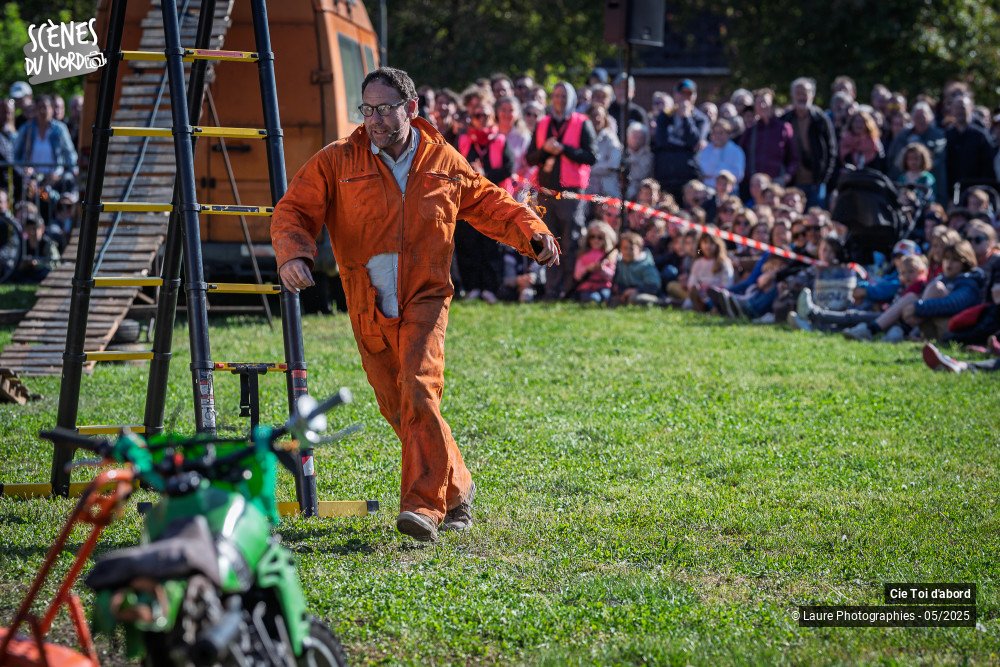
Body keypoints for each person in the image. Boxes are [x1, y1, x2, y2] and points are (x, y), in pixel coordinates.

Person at [271, 67, 558, 542]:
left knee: (420, 391)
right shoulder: (337, 161)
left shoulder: (443, 160)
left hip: (425, 295)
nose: (376, 120)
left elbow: (489, 202)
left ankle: (423, 507)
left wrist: (534, 232)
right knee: (400, 406)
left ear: (411, 108)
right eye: (368, 109)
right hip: (367, 304)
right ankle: (458, 487)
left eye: (385, 108)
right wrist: (293, 254)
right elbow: (293, 210)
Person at [525, 82, 597, 299]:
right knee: (548, 241)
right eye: (556, 95)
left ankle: (569, 288)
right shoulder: (543, 123)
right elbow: (530, 158)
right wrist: (545, 151)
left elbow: (591, 156)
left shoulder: (582, 123)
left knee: (570, 241)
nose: (559, 100)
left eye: (564, 96)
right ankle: (551, 290)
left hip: (571, 193)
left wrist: (564, 149)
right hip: (546, 191)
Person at [455, 100, 513, 304]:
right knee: (469, 244)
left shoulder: (500, 140)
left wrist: (485, 175)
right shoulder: (462, 140)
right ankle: (472, 287)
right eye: (477, 115)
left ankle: (490, 287)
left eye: (485, 115)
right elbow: (454, 167)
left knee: (491, 245)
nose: (482, 119)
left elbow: (508, 168)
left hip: (493, 200)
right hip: (469, 201)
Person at [781, 77, 837, 208]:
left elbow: (831, 151)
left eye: (805, 92)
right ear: (792, 95)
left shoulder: (821, 119)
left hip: (816, 182)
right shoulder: (785, 120)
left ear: (812, 94)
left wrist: (824, 177)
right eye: (798, 92)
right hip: (792, 183)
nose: (802, 96)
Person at [652, 79, 710, 201]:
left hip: (687, 176)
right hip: (665, 174)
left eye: (689, 94)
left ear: (694, 96)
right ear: (675, 95)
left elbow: (694, 141)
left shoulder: (700, 119)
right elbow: (661, 141)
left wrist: (686, 118)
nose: (685, 97)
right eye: (682, 93)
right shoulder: (665, 116)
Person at [12, 95, 78, 193]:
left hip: (54, 180)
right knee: (36, 200)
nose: (43, 111)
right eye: (39, 108)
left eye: (46, 107)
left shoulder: (59, 129)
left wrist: (63, 173)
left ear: (51, 109)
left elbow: (70, 155)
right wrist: (24, 170)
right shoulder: (26, 129)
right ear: (35, 110)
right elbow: (15, 156)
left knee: (49, 199)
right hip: (32, 181)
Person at [739, 88, 798, 188]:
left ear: (771, 105)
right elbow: (741, 156)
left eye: (765, 102)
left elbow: (794, 157)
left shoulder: (783, 128)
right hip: (755, 185)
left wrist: (787, 176)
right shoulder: (750, 131)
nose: (762, 106)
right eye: (758, 103)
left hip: (777, 184)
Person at [945, 96, 995, 196]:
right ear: (952, 111)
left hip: (976, 193)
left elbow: (988, 168)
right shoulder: (946, 135)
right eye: (957, 108)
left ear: (971, 109)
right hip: (952, 192)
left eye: (963, 108)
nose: (960, 111)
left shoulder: (980, 136)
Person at [573, 220, 618, 303]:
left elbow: (612, 275)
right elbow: (577, 275)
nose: (596, 240)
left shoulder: (610, 256)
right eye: (592, 237)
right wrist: (587, 269)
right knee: (593, 298)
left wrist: (602, 269)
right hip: (586, 287)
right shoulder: (583, 254)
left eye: (600, 237)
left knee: (605, 296)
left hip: (604, 286)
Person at [586, 104, 622, 199]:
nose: (597, 119)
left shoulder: (611, 138)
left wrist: (590, 169)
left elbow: (613, 164)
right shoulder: (584, 138)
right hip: (587, 188)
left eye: (600, 116)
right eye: (593, 116)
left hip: (607, 188)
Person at [696, 119, 745, 188]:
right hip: (706, 189)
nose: (717, 136)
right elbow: (702, 170)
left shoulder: (736, 151)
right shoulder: (705, 149)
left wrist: (714, 174)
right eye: (715, 132)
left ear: (728, 134)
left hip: (728, 191)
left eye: (721, 133)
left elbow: (738, 175)